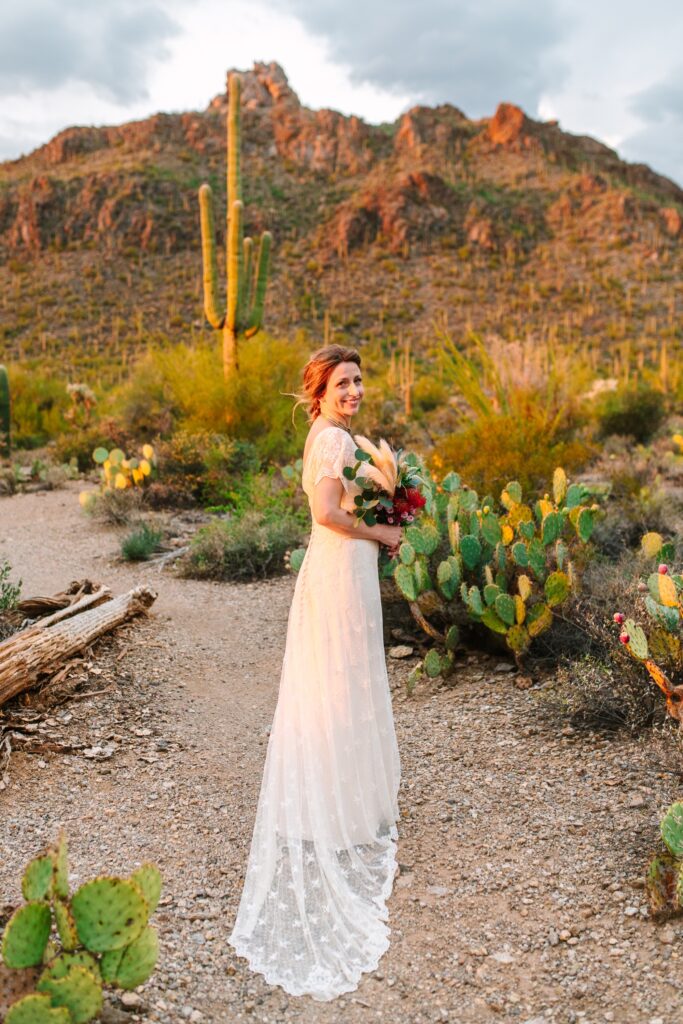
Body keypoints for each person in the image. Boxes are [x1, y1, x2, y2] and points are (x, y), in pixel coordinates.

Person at [228, 344, 403, 1001]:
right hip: (337, 565)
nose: (354, 389)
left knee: (343, 681)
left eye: (359, 379)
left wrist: (389, 507)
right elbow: (325, 515)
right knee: (337, 684)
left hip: (342, 568)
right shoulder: (331, 441)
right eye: (342, 382)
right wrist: (381, 535)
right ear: (320, 389)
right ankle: (338, 810)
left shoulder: (333, 433)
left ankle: (345, 801)